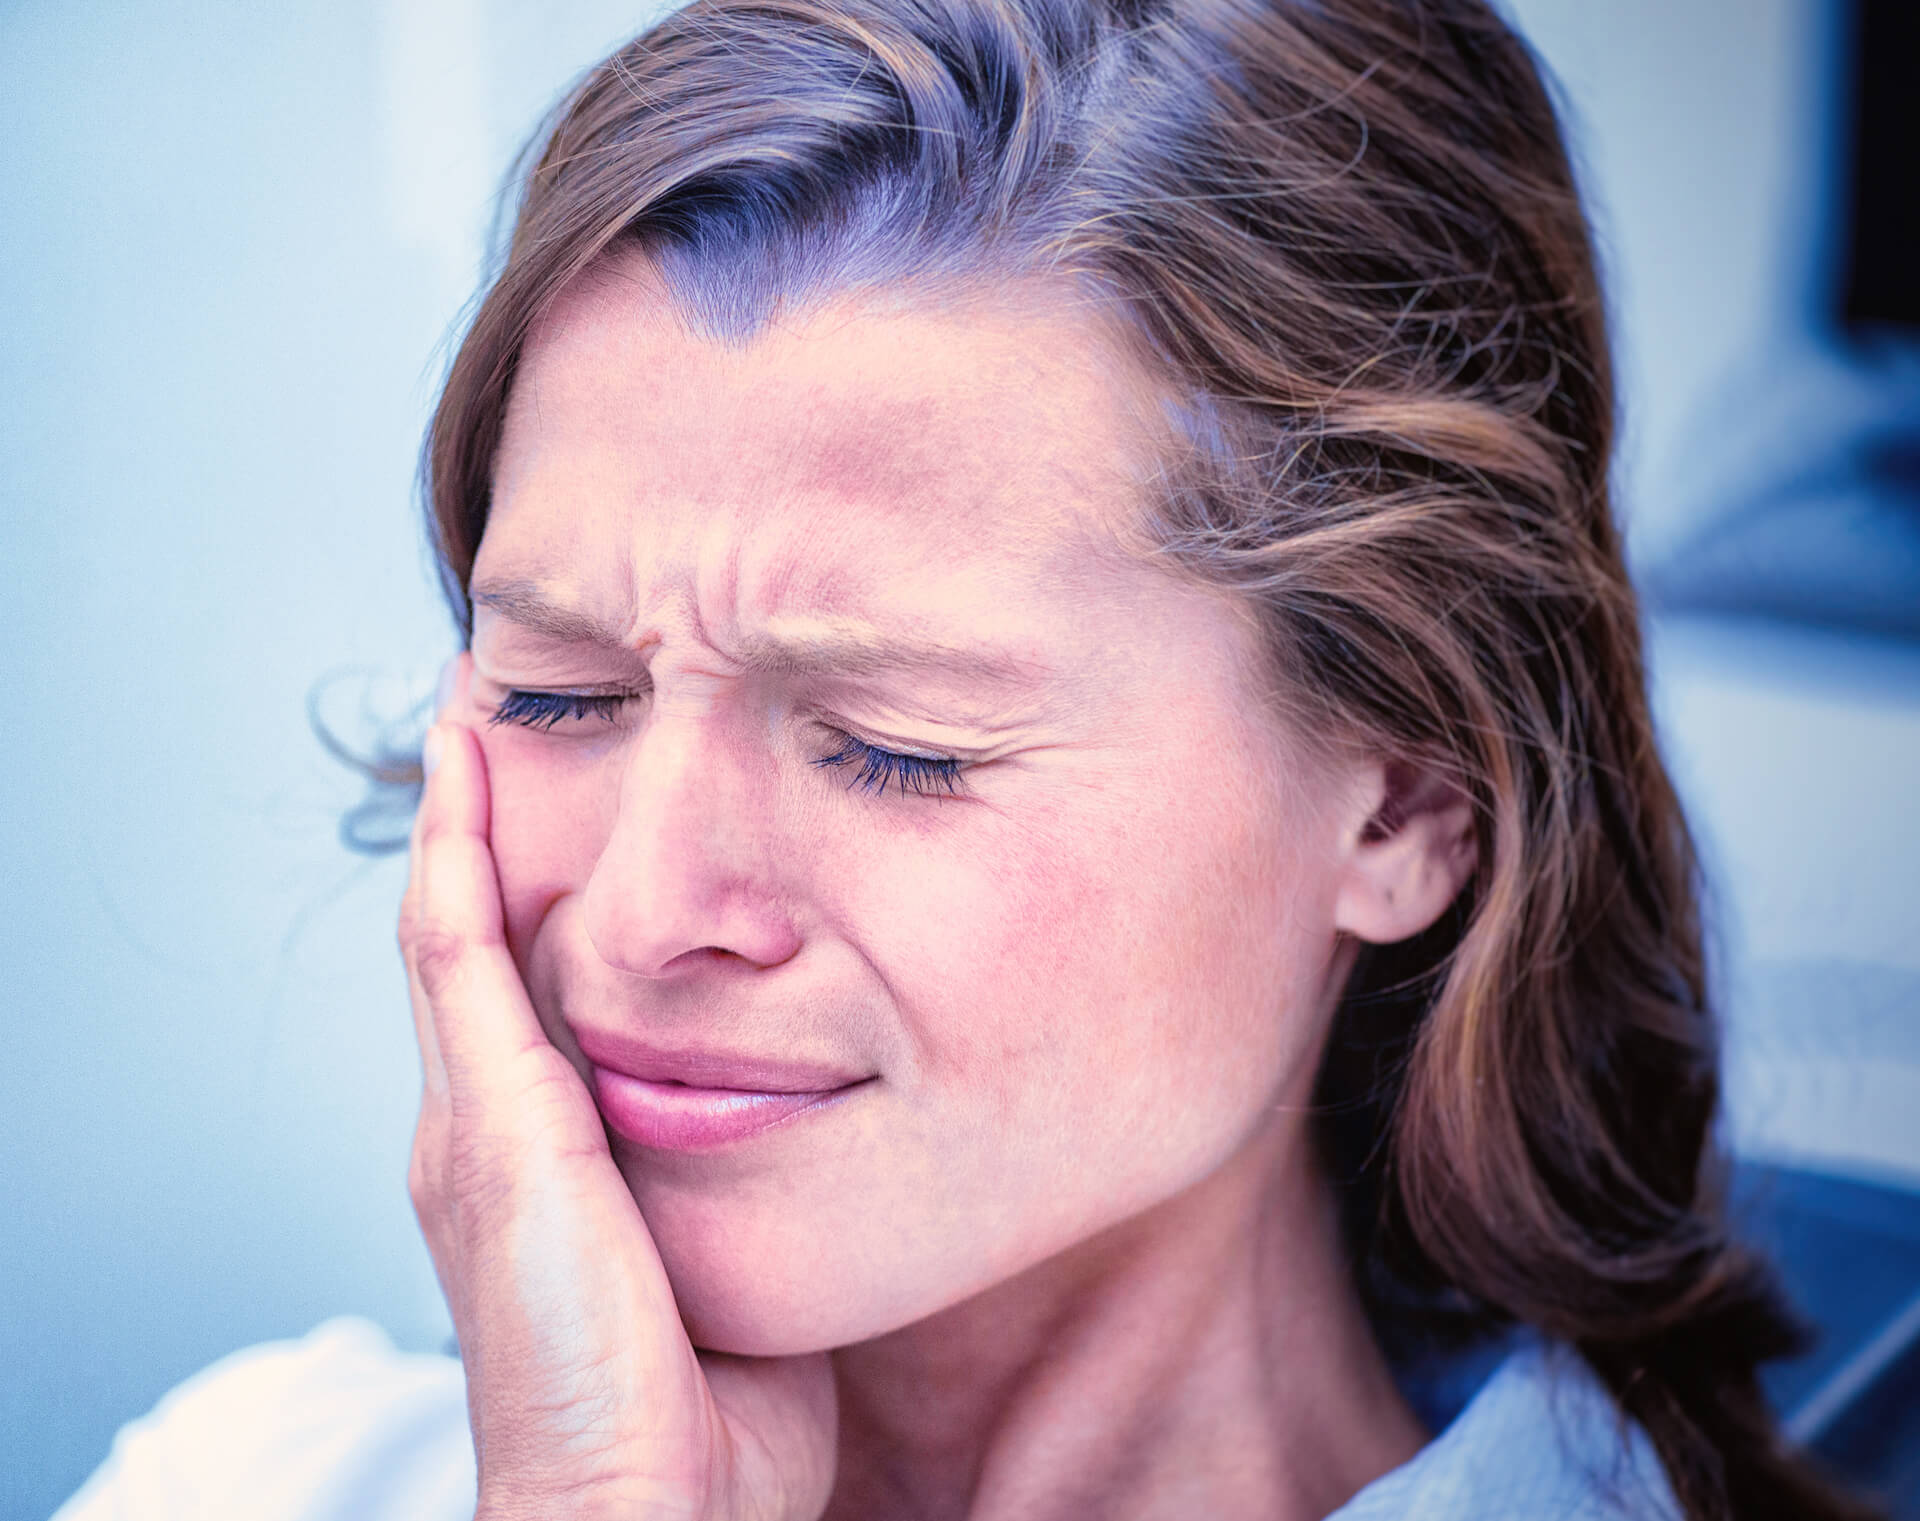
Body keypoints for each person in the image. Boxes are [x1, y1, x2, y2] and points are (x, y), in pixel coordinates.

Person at [53, 0, 1889, 1518]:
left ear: (1409, 796)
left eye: (895, 746)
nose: (636, 915)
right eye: (556, 694)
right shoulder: (245, 1473)